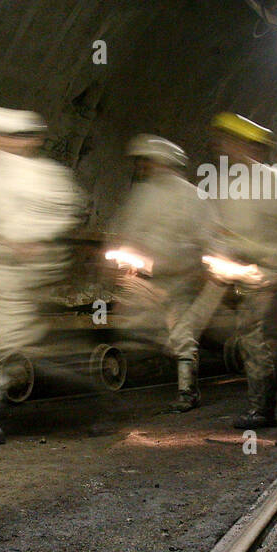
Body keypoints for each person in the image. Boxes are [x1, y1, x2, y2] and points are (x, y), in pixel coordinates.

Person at [0, 101, 86, 446]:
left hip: (18, 278)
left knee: (4, 345)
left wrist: (29, 240)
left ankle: (78, 389)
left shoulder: (39, 176)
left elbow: (60, 214)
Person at [203, 112, 277, 428]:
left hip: (270, 277)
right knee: (258, 341)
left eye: (232, 142)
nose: (226, 149)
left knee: (258, 342)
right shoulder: (228, 187)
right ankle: (273, 393)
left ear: (250, 146)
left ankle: (262, 409)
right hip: (248, 276)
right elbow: (223, 234)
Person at [111, 134, 210, 411]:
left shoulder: (190, 195)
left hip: (181, 275)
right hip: (150, 274)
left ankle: (187, 391)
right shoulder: (143, 194)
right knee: (137, 325)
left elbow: (207, 235)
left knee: (181, 334)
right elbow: (130, 232)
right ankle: (148, 374)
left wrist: (201, 267)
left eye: (148, 161)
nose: (143, 166)